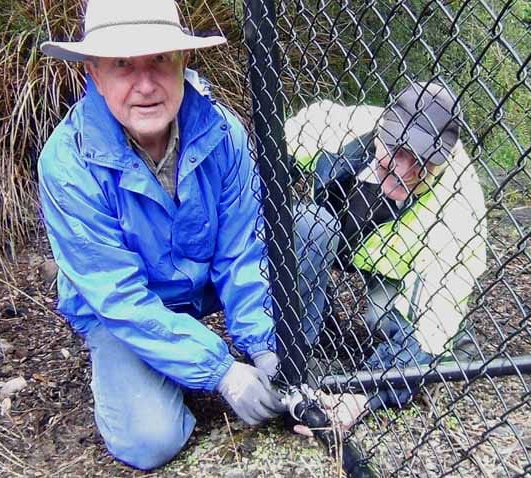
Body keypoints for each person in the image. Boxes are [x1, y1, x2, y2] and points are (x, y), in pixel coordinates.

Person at [36, 0, 289, 470]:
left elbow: (242, 249)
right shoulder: (67, 164)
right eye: (122, 65)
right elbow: (119, 298)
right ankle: (162, 367)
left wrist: (263, 347)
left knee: (309, 227)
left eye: (160, 58)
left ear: (183, 60)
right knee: (151, 441)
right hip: (120, 310)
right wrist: (222, 372)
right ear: (93, 72)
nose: (146, 85)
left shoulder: (223, 132)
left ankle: (262, 359)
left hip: (198, 284)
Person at [286, 80, 488, 429]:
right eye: (398, 149)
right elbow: (275, 150)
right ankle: (296, 347)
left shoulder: (461, 207)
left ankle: (456, 345)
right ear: (381, 130)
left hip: (398, 268)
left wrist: (362, 396)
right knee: (307, 225)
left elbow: (431, 324)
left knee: (388, 319)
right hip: (334, 236)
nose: (405, 169)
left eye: (425, 161)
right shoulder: (346, 127)